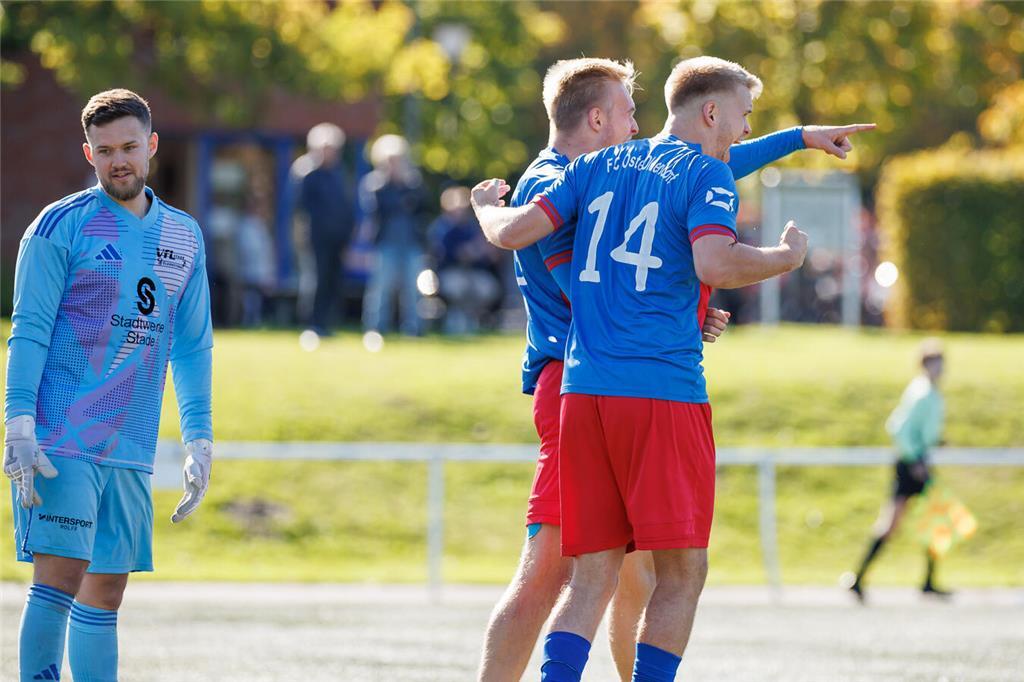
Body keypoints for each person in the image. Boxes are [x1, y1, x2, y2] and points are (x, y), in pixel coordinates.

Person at [474, 57, 874, 681]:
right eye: (742, 117)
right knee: (671, 573)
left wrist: (798, 138)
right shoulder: (697, 176)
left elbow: (515, 231)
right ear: (712, 113)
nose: (743, 132)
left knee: (601, 577)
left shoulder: (596, 167)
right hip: (653, 389)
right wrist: (786, 256)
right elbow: (713, 258)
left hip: (584, 389)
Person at [3, 89, 214, 682]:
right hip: (60, 438)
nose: (118, 160)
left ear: (150, 146)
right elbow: (30, 329)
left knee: (106, 594)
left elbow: (193, 344)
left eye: (128, 146)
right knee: (61, 578)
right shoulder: (58, 225)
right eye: (104, 150)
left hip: (131, 443)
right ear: (87, 153)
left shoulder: (184, 236)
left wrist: (199, 437)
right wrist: (17, 423)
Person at [846, 338, 950, 602]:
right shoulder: (922, 391)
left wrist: (934, 442)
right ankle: (858, 578)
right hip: (911, 464)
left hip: (919, 461)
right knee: (892, 523)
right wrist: (914, 459)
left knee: (935, 518)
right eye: (934, 362)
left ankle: (928, 581)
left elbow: (922, 430)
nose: (939, 368)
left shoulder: (930, 392)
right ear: (925, 365)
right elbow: (899, 428)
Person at [360, 134, 432, 336]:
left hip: (411, 244)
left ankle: (414, 328)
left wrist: (406, 185)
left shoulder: (413, 183)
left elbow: (423, 208)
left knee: (413, 289)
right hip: (385, 243)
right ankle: (375, 328)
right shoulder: (375, 184)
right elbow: (375, 210)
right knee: (381, 288)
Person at [296, 122, 356, 336]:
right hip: (315, 238)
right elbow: (299, 209)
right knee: (316, 281)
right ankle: (313, 324)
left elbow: (347, 207)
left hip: (337, 238)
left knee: (333, 281)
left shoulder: (339, 174)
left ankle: (328, 324)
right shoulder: (306, 173)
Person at [428, 186, 503, 334]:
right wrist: (464, 253)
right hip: (450, 272)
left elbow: (486, 253)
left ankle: (473, 321)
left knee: (486, 288)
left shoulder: (471, 227)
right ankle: (456, 320)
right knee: (459, 287)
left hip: (474, 272)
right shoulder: (441, 228)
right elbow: (441, 255)